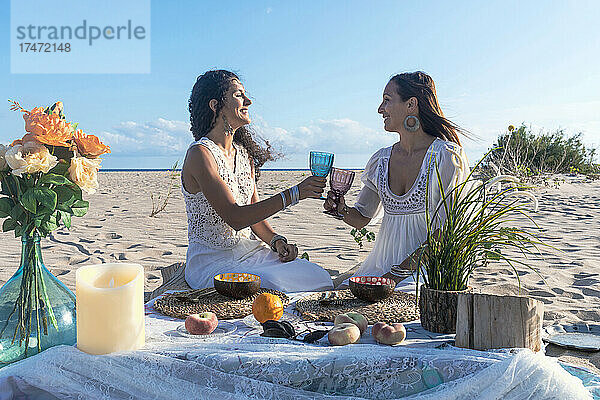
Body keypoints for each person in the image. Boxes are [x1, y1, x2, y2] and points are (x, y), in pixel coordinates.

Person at [182, 70, 333, 292]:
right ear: (215, 105)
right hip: (211, 262)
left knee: (319, 277)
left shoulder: (244, 155)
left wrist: (276, 241)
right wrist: (295, 194)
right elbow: (235, 217)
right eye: (238, 95)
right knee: (270, 284)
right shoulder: (200, 154)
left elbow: (254, 216)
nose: (248, 101)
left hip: (250, 252)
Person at [324, 71, 470, 290]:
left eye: (387, 100)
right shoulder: (380, 159)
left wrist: (396, 275)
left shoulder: (446, 157)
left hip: (426, 272)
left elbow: (447, 231)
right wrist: (341, 209)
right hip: (381, 267)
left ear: (411, 104)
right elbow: (361, 218)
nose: (380, 109)